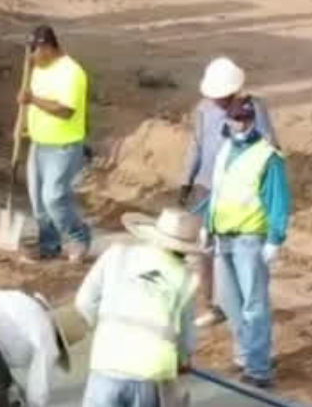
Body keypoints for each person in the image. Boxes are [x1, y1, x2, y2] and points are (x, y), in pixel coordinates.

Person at [195, 97, 289, 389]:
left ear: (253, 121)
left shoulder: (267, 156)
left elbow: (278, 200)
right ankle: (246, 354)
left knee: (254, 305)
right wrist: (207, 225)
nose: (240, 124)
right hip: (224, 237)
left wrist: (275, 238)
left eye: (245, 120)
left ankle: (259, 369)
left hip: (250, 240)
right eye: (236, 119)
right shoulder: (225, 150)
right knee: (232, 303)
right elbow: (218, 192)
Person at [179, 57, 278, 328]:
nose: (217, 102)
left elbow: (270, 147)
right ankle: (210, 305)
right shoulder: (202, 109)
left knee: (238, 251)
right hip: (206, 187)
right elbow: (196, 146)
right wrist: (186, 181)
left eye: (222, 97)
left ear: (234, 91)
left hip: (239, 195)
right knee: (205, 249)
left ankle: (241, 303)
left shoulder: (254, 109)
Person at [77, 208, 200, 407]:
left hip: (107, 363)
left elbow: (84, 302)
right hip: (151, 375)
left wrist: (106, 328)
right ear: (187, 249)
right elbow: (186, 338)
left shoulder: (116, 254)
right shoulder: (185, 278)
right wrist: (183, 359)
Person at [19, 25, 92, 263]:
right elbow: (29, 101)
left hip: (63, 147)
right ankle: (49, 245)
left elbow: (65, 111)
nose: (30, 57)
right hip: (38, 144)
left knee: (54, 198)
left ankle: (79, 237)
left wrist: (32, 99)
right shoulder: (39, 67)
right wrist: (22, 125)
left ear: (47, 47)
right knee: (38, 203)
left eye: (34, 51)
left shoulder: (72, 72)